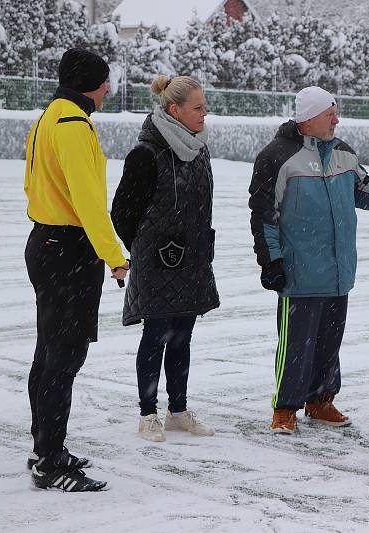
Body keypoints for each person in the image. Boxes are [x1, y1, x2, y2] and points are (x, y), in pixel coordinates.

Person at [249, 86, 369, 434]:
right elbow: (264, 215)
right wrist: (271, 261)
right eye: (330, 113)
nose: (336, 119)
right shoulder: (277, 157)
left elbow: (362, 190)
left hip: (338, 270)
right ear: (308, 118)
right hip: (298, 272)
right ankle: (285, 408)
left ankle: (321, 400)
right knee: (296, 345)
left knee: (329, 342)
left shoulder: (343, 153)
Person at [24, 48, 129, 492]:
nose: (109, 87)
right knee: (63, 358)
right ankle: (50, 461)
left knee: (49, 352)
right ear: (90, 82)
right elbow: (88, 203)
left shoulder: (52, 114)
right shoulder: (71, 124)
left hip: (47, 242)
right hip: (67, 248)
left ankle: (45, 447)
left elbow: (33, 182)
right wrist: (115, 256)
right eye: (105, 80)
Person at [111, 75, 219, 443]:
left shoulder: (199, 149)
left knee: (182, 337)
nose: (205, 114)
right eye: (198, 107)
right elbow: (122, 212)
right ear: (174, 110)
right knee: (155, 335)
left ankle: (178, 410)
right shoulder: (147, 153)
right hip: (157, 264)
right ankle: (148, 415)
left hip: (192, 261)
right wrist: (146, 248)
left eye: (205, 106)